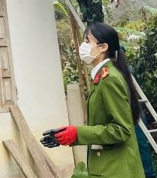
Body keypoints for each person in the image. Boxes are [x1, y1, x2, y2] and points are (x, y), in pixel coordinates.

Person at [41, 23, 145, 178]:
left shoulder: (110, 79)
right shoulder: (102, 78)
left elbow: (122, 130)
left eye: (87, 41)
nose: (83, 46)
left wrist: (78, 133)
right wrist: (69, 135)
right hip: (108, 168)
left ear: (103, 47)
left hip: (117, 170)